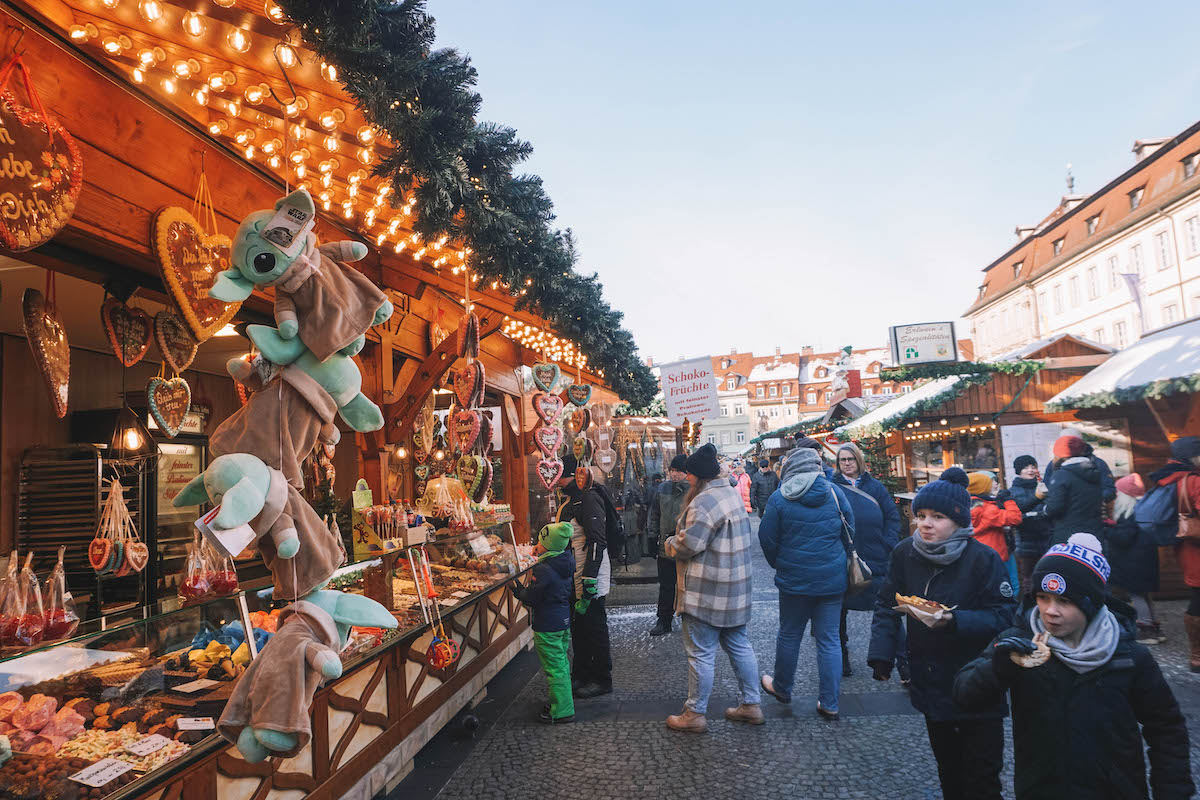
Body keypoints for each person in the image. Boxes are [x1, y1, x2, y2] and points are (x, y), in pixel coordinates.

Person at [953, 533, 1193, 799]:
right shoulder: (1018, 643)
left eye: (1064, 601)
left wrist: (1172, 791)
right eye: (1043, 597)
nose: (1050, 611)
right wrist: (998, 667)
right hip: (1042, 790)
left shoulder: (1128, 655)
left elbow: (1166, 728)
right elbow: (965, 695)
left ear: (1090, 604)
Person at [867, 468, 1015, 800]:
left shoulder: (983, 559)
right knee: (949, 772)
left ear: (960, 521)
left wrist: (955, 620)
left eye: (937, 516)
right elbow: (886, 603)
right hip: (931, 681)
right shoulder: (905, 553)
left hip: (978, 682)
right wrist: (881, 655)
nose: (925, 523)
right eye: (920, 515)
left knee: (982, 778)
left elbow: (1006, 615)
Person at [663, 443, 761, 732]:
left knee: (700, 652)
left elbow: (689, 544)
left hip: (707, 591)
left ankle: (694, 713)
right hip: (736, 588)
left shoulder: (704, 502)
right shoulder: (730, 493)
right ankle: (752, 704)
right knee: (739, 645)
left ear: (700, 477)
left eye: (691, 474)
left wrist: (669, 543)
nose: (688, 478)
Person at [757, 447, 852, 719]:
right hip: (832, 581)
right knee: (829, 640)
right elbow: (850, 531)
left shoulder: (779, 498)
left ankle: (782, 688)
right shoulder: (835, 493)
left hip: (794, 581)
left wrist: (781, 562)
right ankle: (830, 703)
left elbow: (767, 538)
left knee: (789, 634)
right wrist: (837, 560)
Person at [831, 442, 905, 681]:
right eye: (842, 460)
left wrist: (888, 542)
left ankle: (904, 664)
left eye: (850, 459)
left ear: (858, 460)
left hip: (876, 557)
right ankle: (842, 658)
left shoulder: (876, 487)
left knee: (888, 609)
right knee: (839, 612)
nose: (847, 463)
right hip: (844, 558)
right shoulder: (832, 487)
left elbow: (892, 517)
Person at [556, 454, 612, 698]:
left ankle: (601, 679)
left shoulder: (588, 499)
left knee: (594, 627)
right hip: (573, 576)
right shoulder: (570, 500)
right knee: (580, 628)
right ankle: (581, 674)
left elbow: (597, 540)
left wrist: (589, 578)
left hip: (589, 576)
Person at [509, 522, 576, 723]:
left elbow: (534, 597)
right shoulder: (564, 561)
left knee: (555, 668)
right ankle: (562, 702)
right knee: (561, 664)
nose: (537, 545)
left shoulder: (545, 569)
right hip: (562, 621)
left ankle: (562, 710)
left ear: (549, 545)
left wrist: (521, 592)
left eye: (540, 542)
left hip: (548, 624)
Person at [1149, 436, 1200, 672]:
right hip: (1196, 544)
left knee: (1197, 596)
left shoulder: (1168, 479)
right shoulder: (1193, 480)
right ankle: (1197, 655)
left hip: (1184, 546)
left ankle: (1197, 654)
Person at [1107, 473, 1165, 644]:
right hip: (1144, 561)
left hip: (1134, 563)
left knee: (1137, 595)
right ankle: (1155, 629)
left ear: (1125, 496)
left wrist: (1106, 529)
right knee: (1144, 595)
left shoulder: (1130, 514)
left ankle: (1146, 630)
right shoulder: (1143, 510)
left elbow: (1124, 538)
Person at [647, 455, 689, 636]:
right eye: (672, 470)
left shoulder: (694, 490)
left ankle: (691, 621)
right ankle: (664, 620)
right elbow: (654, 514)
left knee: (688, 585)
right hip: (665, 547)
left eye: (678, 471)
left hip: (687, 548)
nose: (674, 474)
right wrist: (651, 537)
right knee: (666, 585)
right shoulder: (662, 489)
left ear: (686, 473)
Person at [1044, 435, 1105, 546]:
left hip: (1069, 535)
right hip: (1094, 532)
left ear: (1060, 454)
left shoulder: (1060, 475)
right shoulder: (1094, 471)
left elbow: (1055, 508)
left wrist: (1045, 508)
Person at [968, 471, 1022, 589]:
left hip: (979, 555)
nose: (995, 484)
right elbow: (1015, 518)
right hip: (996, 554)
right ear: (983, 488)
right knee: (1011, 586)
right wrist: (1008, 500)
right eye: (991, 482)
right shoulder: (987, 509)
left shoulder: (967, 506)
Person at [1009, 455, 1051, 598]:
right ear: (1019, 471)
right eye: (1026, 467)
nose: (1030, 470)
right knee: (1028, 577)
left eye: (1033, 467)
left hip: (1046, 537)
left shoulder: (1042, 486)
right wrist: (1036, 499)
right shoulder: (1014, 490)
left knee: (1047, 574)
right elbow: (1019, 508)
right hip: (1026, 540)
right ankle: (1029, 606)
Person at [1043, 429, 1117, 502]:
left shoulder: (1097, 463)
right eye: (1066, 443)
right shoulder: (1053, 464)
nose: (1071, 446)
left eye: (1074, 442)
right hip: (1061, 509)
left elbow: (1109, 490)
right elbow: (1047, 488)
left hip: (1091, 510)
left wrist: (1092, 500)